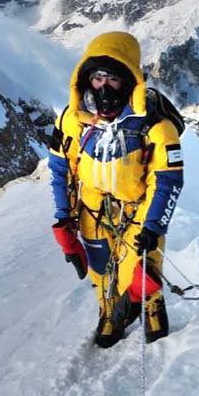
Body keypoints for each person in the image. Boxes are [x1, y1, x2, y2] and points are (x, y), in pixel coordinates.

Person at [48, 31, 184, 348]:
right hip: (92, 209)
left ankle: (151, 305)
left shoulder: (154, 124)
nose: (104, 87)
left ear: (128, 80)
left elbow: (167, 179)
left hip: (138, 207)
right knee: (100, 270)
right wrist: (63, 216)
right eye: (97, 78)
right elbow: (60, 168)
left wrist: (153, 226)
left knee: (142, 266)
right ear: (85, 80)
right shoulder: (72, 120)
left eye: (113, 79)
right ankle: (109, 312)